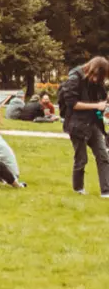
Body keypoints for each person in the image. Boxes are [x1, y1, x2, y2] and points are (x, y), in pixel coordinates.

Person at [59, 55, 109, 197]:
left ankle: (106, 191)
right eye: (97, 77)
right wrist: (96, 105)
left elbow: (101, 96)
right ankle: (78, 189)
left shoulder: (97, 82)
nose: (97, 81)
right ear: (92, 70)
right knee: (81, 159)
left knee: (103, 156)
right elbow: (72, 104)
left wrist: (104, 101)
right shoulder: (74, 78)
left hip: (93, 123)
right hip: (77, 124)